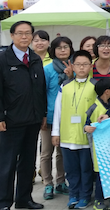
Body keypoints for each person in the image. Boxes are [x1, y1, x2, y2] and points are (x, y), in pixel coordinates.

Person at [0, 21, 47, 210]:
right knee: (7, 164)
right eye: (20, 33)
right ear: (12, 36)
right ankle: (3, 202)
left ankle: (24, 199)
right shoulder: (1, 61)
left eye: (28, 33)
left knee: (28, 163)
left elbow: (40, 90)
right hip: (10, 122)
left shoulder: (35, 59)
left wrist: (43, 114)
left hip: (33, 120)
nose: (24, 37)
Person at [51, 50, 97, 209]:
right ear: (73, 66)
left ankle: (85, 196)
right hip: (67, 135)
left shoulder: (95, 86)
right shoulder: (65, 86)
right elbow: (58, 110)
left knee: (86, 169)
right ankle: (73, 195)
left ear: (91, 66)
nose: (82, 67)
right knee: (71, 170)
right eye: (78, 64)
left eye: (85, 64)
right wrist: (55, 132)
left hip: (86, 137)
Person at [41, 36, 74, 200]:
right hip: (50, 116)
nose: (63, 50)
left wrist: (70, 76)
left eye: (66, 47)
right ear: (53, 50)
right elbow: (41, 93)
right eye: (59, 48)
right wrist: (44, 115)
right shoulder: (47, 70)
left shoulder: (74, 68)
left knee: (62, 152)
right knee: (46, 152)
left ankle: (61, 181)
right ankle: (48, 183)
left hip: (67, 117)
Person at [84, 78, 110, 210]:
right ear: (106, 91)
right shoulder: (94, 107)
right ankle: (99, 199)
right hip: (99, 147)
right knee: (101, 174)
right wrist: (86, 128)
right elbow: (86, 124)